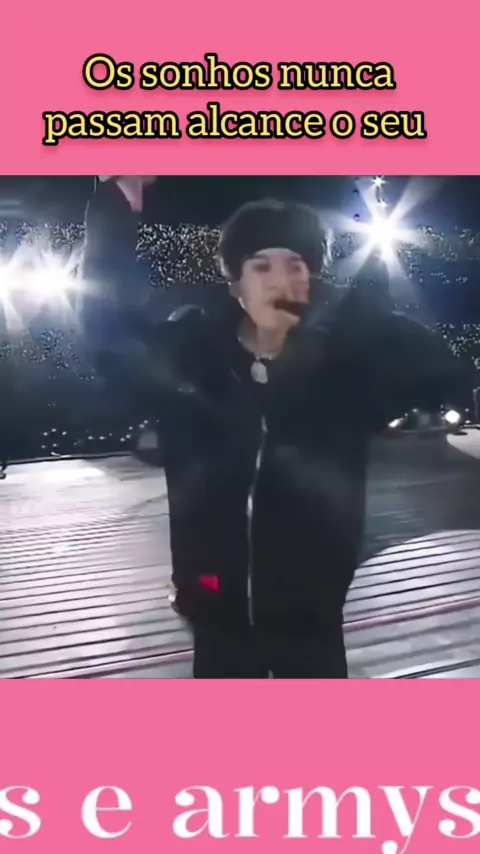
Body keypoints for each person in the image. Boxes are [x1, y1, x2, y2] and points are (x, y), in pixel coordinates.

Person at [97, 198, 471, 679]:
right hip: (214, 610)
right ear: (235, 282)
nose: (280, 279)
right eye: (261, 265)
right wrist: (114, 206)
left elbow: (442, 372)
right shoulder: (192, 361)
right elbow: (106, 333)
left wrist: (350, 314)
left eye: (296, 264)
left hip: (312, 619)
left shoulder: (344, 370)